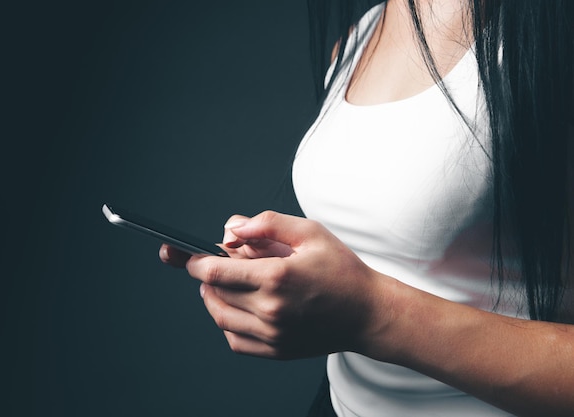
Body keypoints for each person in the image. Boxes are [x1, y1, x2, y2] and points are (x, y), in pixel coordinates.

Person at [160, 0, 574, 415]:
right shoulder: (361, 35)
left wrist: (372, 314)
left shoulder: (551, 34)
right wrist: (289, 272)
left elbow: (370, 300)